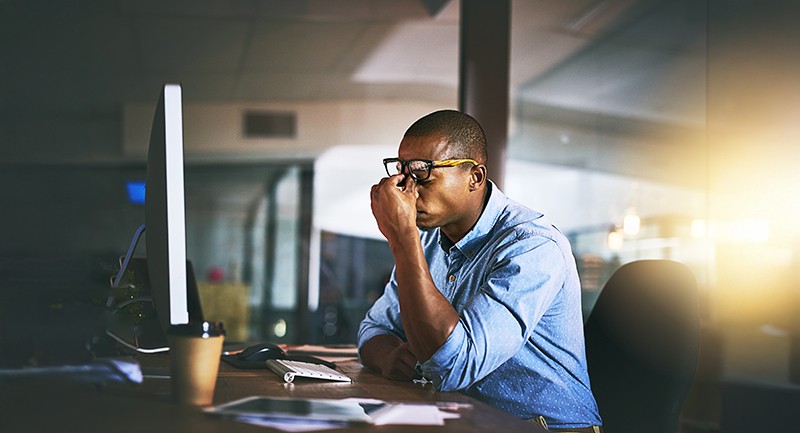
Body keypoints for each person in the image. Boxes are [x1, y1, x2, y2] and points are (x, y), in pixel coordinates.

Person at [358, 110, 602, 432]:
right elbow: (373, 328)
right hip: (467, 422)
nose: (407, 190)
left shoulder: (533, 247)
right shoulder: (430, 240)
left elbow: (453, 365)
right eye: (402, 172)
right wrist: (389, 358)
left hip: (545, 427)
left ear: (475, 177)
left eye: (423, 173)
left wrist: (402, 238)